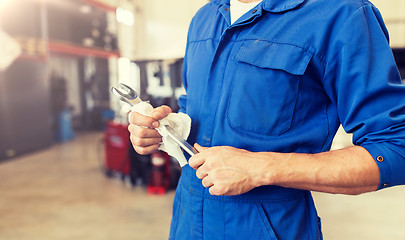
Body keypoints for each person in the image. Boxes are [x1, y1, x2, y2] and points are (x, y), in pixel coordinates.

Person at [128, 0, 405, 239]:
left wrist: (262, 167)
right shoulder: (205, 17)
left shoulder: (341, 14)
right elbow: (198, 116)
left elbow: (396, 148)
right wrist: (167, 130)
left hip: (268, 228)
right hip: (187, 221)